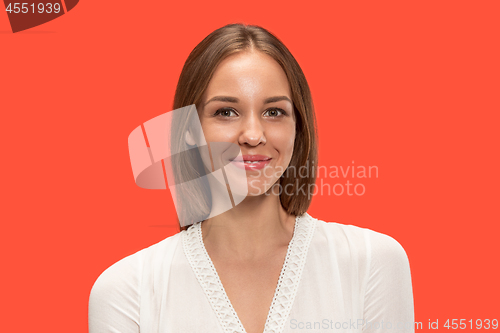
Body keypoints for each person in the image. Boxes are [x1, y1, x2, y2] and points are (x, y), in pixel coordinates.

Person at [88, 23, 414, 333]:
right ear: (189, 130)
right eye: (226, 112)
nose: (253, 135)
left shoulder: (373, 263)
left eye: (274, 112)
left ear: (297, 127)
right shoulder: (128, 288)